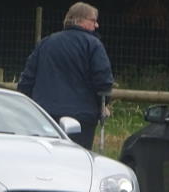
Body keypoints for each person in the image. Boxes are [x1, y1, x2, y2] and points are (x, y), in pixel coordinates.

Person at [18, 2, 113, 150]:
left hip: (45, 116)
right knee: (78, 159)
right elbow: (103, 81)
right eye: (93, 20)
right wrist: (104, 103)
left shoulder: (46, 43)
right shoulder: (93, 45)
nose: (97, 25)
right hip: (82, 118)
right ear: (79, 20)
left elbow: (27, 80)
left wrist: (31, 108)